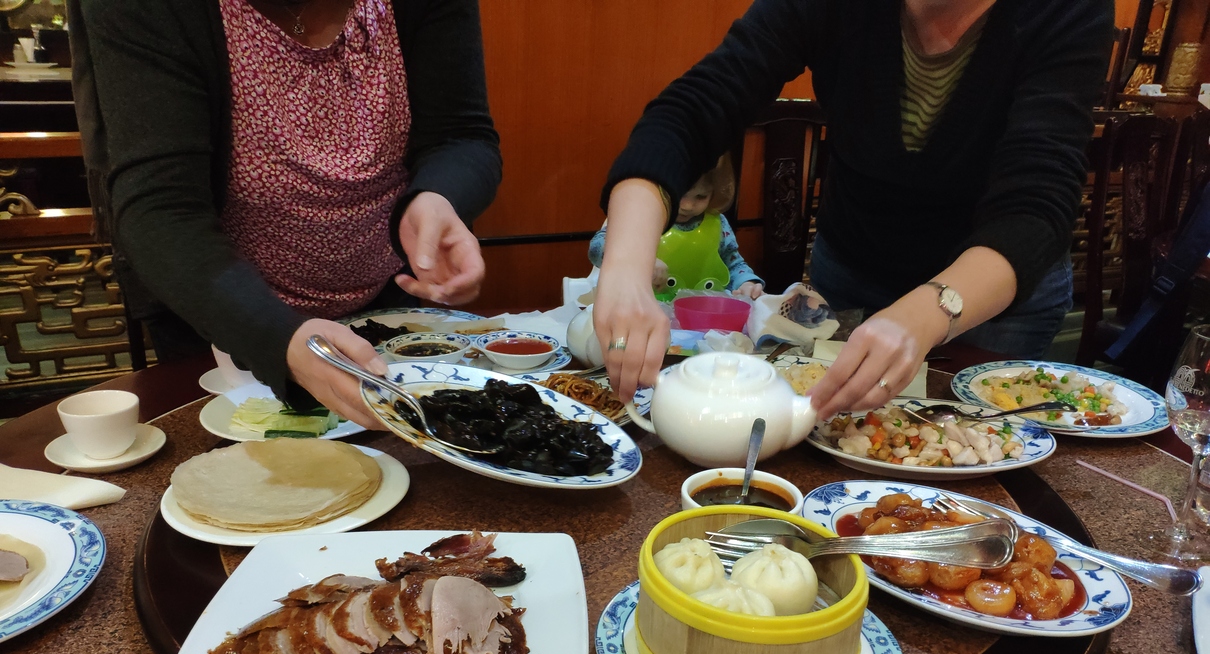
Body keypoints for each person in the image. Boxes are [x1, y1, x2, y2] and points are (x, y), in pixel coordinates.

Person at [592, 0, 1112, 418]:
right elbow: (692, 110)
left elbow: (1037, 200)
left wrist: (931, 309)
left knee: (970, 459)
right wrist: (625, 268)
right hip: (855, 263)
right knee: (831, 443)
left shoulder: (1065, 10)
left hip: (990, 291)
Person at [70, 0, 502, 426]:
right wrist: (277, 337)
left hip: (383, 304)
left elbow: (461, 135)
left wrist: (439, 196)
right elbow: (162, 206)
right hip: (224, 316)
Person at [589, 157, 764, 301]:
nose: (688, 206)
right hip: (645, 314)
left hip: (703, 319)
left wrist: (746, 283)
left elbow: (734, 264)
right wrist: (638, 259)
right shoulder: (641, 216)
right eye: (679, 193)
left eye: (701, 196)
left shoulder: (718, 224)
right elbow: (597, 248)